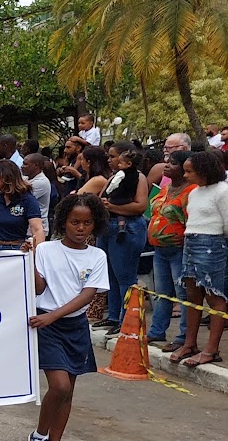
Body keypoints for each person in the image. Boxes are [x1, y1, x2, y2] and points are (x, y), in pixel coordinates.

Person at [28, 194, 110, 441]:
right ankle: (39, 438)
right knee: (60, 386)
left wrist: (54, 315)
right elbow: (39, 288)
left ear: (95, 224)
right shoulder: (46, 250)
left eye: (87, 223)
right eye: (75, 222)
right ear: (63, 221)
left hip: (74, 326)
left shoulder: (97, 256)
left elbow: (88, 295)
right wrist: (29, 261)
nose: (81, 228)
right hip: (47, 325)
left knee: (69, 392)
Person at [172, 151, 228, 367]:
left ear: (204, 171)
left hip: (212, 244)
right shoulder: (195, 192)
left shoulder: (222, 191)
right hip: (191, 241)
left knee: (214, 296)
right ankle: (190, 343)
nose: (185, 175)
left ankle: (211, 349)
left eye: (190, 171)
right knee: (192, 294)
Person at [97, 142, 149, 336]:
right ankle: (113, 315)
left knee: (124, 276)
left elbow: (140, 206)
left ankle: (126, 318)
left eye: (113, 156)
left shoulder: (138, 177)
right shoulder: (114, 176)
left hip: (127, 228)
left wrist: (111, 207)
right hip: (107, 227)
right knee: (110, 275)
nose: (109, 159)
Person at [146, 151, 195, 349]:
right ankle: (157, 331)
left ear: (184, 168)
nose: (166, 165)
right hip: (159, 249)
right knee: (162, 293)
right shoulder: (165, 188)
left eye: (172, 163)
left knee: (183, 295)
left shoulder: (191, 191)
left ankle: (183, 337)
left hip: (179, 249)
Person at [0, 160, 45, 254]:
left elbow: (37, 229)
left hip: (15, 249)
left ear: (5, 178)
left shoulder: (27, 200)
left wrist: (37, 253)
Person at [21, 154, 55, 236]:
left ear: (36, 165)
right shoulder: (26, 178)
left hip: (37, 229)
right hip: (27, 227)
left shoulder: (41, 182)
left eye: (25, 164)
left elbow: (20, 198)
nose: (22, 166)